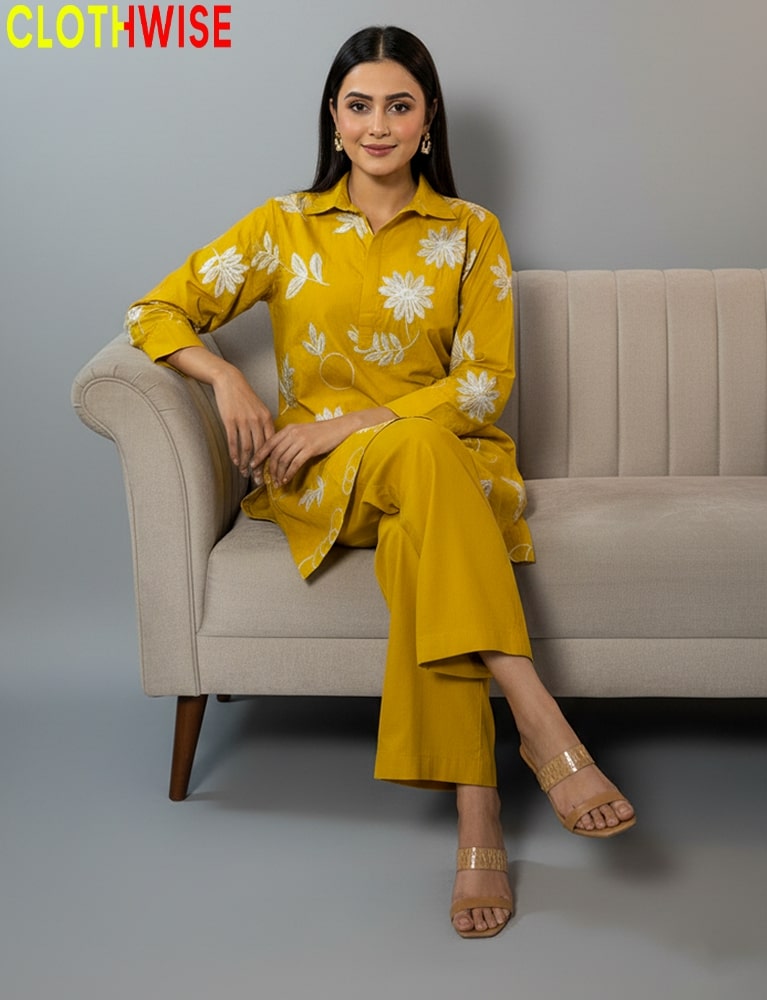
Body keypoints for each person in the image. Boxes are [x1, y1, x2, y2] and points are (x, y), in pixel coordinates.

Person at [126, 25, 635, 938]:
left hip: (442, 469)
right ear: (333, 117)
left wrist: (356, 418)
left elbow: (483, 386)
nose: (378, 124)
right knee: (423, 462)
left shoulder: (472, 231)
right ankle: (540, 717)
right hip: (319, 479)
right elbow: (155, 310)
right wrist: (229, 378)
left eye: (399, 105)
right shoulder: (284, 225)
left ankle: (478, 820)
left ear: (428, 120)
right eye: (359, 105)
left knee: (420, 518)